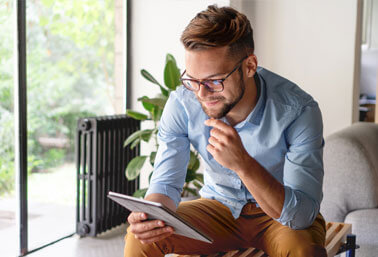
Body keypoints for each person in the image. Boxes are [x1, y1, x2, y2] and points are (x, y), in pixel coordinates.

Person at [124, 5, 326, 257]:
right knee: (140, 239)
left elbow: (302, 214)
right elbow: (165, 185)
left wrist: (243, 163)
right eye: (192, 80)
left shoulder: (298, 111)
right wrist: (149, 216)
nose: (201, 93)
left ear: (249, 66)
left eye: (214, 81)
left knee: (303, 251)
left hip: (279, 217)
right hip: (218, 209)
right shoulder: (182, 104)